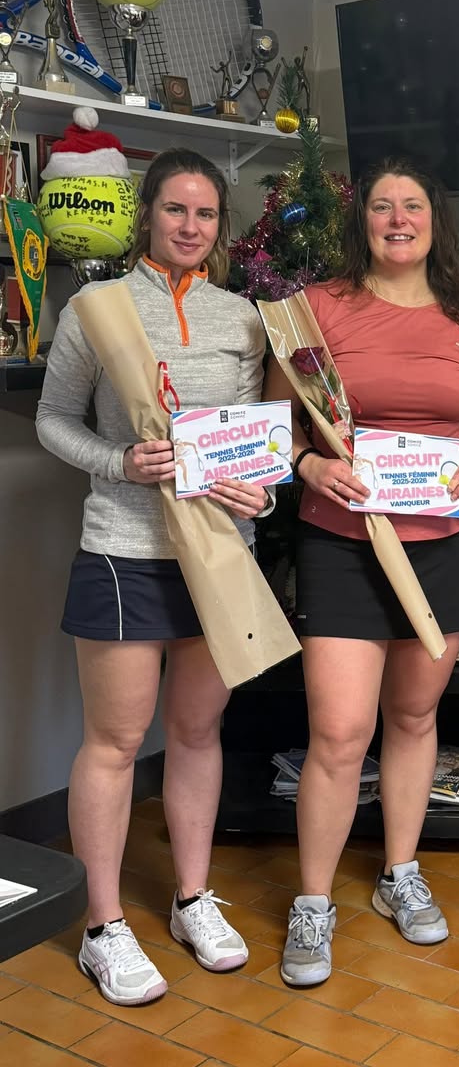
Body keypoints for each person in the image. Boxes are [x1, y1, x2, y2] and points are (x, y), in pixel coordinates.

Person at [36, 147, 270, 1005]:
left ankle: (191, 898)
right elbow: (54, 420)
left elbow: (257, 440)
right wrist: (120, 463)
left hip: (219, 555)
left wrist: (260, 493)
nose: (190, 226)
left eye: (205, 214)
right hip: (124, 549)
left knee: (198, 732)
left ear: (220, 225)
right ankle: (103, 927)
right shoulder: (95, 309)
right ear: (148, 215)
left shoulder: (243, 318)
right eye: (176, 210)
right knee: (116, 742)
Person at [263, 156, 459, 987]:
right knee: (338, 731)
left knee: (413, 715)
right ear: (361, 220)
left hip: (444, 542)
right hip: (343, 544)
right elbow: (278, 425)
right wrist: (309, 465)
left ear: (435, 220)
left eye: (413, 206)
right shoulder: (316, 309)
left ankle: (400, 872)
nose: (398, 219)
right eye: (382, 206)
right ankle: (313, 902)